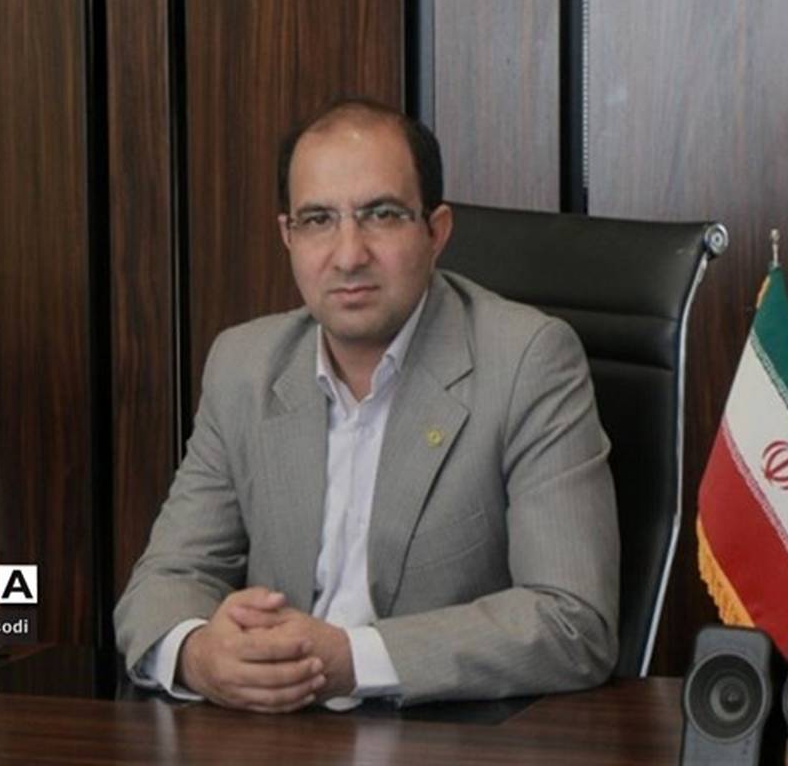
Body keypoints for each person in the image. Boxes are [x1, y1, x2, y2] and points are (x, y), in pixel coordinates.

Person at [115, 98, 619, 711]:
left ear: (436, 231)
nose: (349, 254)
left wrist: (351, 660)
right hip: (269, 734)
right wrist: (200, 657)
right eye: (318, 220)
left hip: (446, 734)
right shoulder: (244, 365)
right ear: (287, 236)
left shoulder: (528, 362)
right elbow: (163, 581)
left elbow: (573, 621)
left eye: (381, 215)